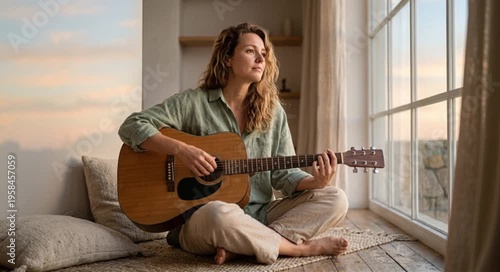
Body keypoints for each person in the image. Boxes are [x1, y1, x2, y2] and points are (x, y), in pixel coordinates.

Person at [118, 23, 349, 265]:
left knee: (335, 198)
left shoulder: (273, 112)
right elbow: (132, 124)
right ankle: (297, 249)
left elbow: (284, 174)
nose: (260, 58)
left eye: (263, 53)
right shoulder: (193, 103)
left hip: (261, 214)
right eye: (250, 51)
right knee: (219, 213)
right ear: (228, 58)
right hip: (204, 220)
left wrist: (316, 182)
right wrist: (182, 149)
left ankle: (245, 245)